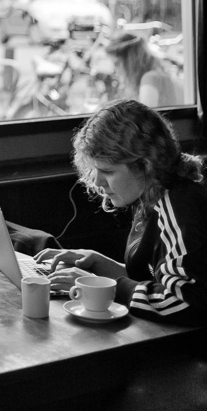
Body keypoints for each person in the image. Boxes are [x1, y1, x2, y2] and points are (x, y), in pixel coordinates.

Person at [38, 99, 207, 325]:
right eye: (94, 170)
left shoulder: (180, 207)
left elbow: (186, 302)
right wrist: (100, 264)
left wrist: (97, 287)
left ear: (145, 165)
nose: (97, 181)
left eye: (106, 171)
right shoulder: (151, 194)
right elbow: (154, 277)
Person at [106, 30, 183, 107]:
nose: (115, 69)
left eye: (117, 63)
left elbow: (144, 117)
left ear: (130, 61)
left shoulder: (150, 78)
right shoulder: (157, 74)